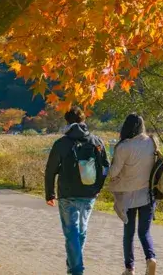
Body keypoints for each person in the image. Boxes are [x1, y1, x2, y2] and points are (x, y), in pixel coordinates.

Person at [45, 106, 110, 275]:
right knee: (81, 231)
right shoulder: (96, 141)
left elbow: (50, 169)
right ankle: (74, 266)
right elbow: (105, 167)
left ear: (67, 122)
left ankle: (76, 269)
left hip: (67, 194)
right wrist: (98, 188)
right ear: (83, 120)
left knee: (71, 232)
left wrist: (50, 193)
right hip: (89, 194)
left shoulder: (61, 143)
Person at [108, 114, 157, 275]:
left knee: (128, 234)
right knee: (144, 232)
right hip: (148, 195)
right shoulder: (152, 142)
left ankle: (130, 269)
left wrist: (106, 165)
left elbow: (113, 173)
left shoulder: (124, 147)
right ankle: (151, 258)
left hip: (128, 196)